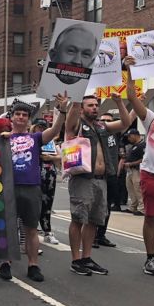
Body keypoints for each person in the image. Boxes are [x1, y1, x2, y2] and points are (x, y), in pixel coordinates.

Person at [0, 96, 68, 282]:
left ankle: (33, 265)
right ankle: (5, 262)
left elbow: (54, 131)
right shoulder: (2, 138)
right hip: (9, 188)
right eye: (18, 114)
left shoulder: (35, 138)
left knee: (31, 229)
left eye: (24, 115)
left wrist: (62, 111)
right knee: (8, 228)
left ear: (29, 120)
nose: (21, 117)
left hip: (31, 188)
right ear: (11, 117)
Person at [65, 91, 130, 276]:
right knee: (78, 219)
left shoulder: (101, 126)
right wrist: (76, 97)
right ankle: (75, 260)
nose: (94, 108)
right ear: (82, 108)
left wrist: (120, 103)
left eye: (96, 105)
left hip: (101, 180)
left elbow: (125, 123)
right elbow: (70, 121)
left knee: (93, 221)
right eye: (90, 105)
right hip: (83, 179)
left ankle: (86, 258)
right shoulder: (77, 125)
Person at [125, 63, 154, 275]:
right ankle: (150, 258)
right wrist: (130, 72)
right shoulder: (151, 119)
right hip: (151, 175)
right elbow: (131, 97)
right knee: (151, 217)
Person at [93, 113, 122, 248]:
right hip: (98, 174)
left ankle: (101, 235)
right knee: (95, 206)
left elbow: (126, 121)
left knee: (107, 206)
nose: (105, 123)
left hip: (111, 174)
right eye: (103, 120)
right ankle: (91, 236)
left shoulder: (116, 134)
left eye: (109, 121)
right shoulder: (95, 133)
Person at [32, 119, 61, 245]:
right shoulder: (30, 139)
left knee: (47, 204)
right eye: (39, 127)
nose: (41, 129)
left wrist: (51, 157)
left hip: (50, 175)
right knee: (33, 205)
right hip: (34, 175)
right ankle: (31, 233)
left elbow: (62, 156)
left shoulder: (51, 142)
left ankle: (47, 232)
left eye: (44, 127)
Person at [124, 129, 145, 217]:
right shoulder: (134, 146)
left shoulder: (142, 145)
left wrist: (131, 163)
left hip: (137, 170)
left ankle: (142, 208)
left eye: (130, 136)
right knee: (130, 189)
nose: (128, 138)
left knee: (138, 189)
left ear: (136, 135)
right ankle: (133, 206)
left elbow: (143, 159)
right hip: (130, 170)